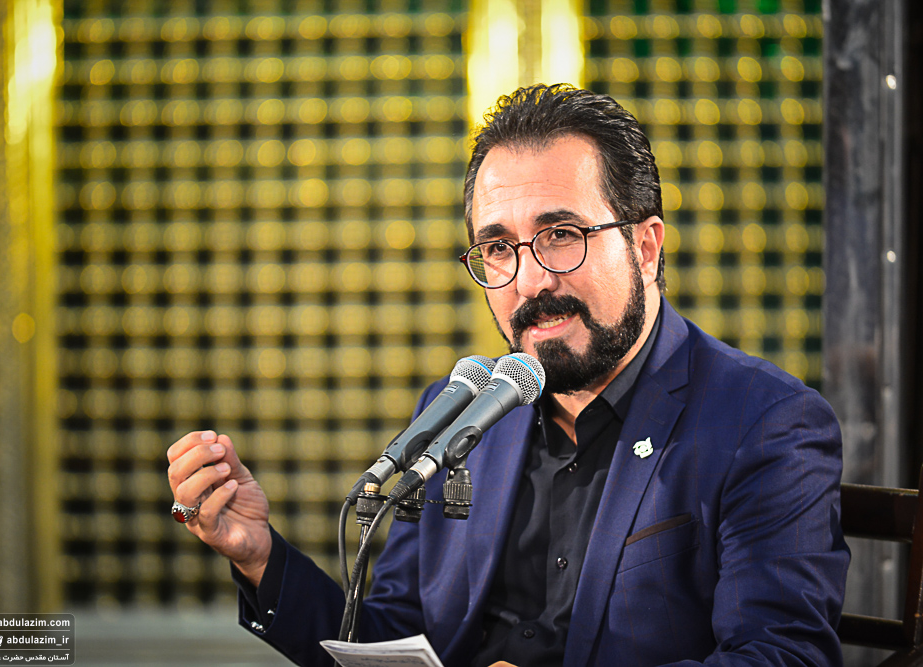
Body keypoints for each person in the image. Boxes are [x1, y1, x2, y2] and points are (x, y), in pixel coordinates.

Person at [166, 84, 848, 666]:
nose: (530, 281)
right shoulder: (458, 412)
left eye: (561, 235)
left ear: (645, 247)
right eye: (498, 247)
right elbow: (393, 637)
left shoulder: (765, 422)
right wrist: (260, 556)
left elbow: (783, 655)